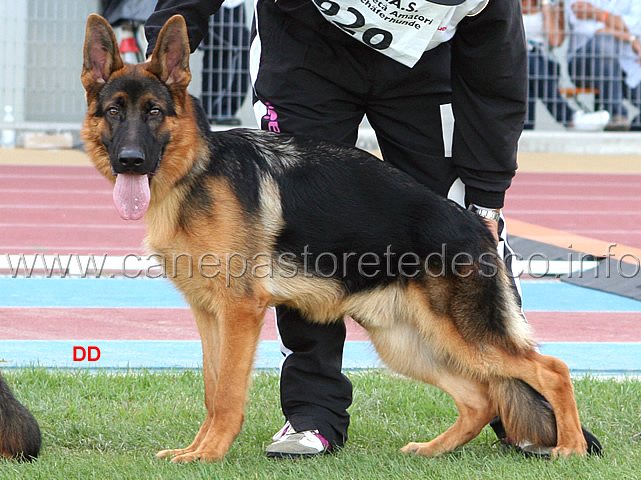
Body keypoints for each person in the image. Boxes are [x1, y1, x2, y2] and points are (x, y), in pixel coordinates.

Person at [145, 0, 529, 458]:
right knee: (290, 237)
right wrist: (155, 67)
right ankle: (313, 414)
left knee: (457, 229)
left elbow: (497, 70)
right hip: (304, 57)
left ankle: (522, 411)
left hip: (425, 69)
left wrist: (486, 194)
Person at [522, 0, 610, 130]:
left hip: (543, 64)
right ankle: (570, 118)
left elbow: (555, 41)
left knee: (530, 65)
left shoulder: (554, 4)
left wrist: (545, 5)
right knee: (525, 67)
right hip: (515, 62)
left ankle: (525, 127)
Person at [565, 0, 641, 130]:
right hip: (583, 64)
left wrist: (597, 13)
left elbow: (635, 26)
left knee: (606, 44)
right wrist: (629, 37)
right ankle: (616, 114)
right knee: (604, 42)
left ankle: (631, 129)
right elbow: (594, 31)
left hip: (626, 64)